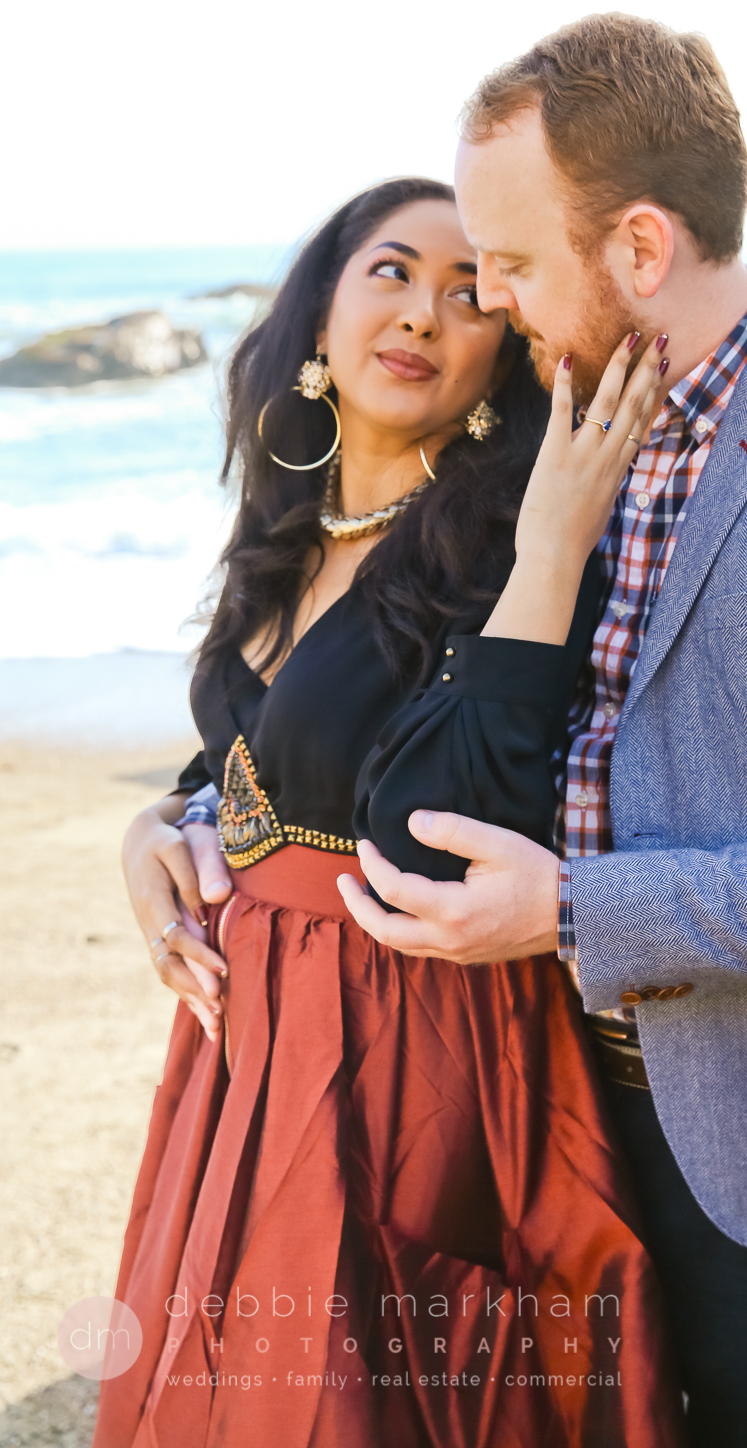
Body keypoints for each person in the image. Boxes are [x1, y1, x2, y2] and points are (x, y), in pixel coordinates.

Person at [336, 17, 747, 1447]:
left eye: (509, 265)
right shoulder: (538, 426)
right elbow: (361, 659)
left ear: (639, 248)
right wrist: (199, 812)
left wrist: (572, 907)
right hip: (533, 1109)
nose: (491, 301)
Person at [99, 176, 685, 1448]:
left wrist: (550, 555)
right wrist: (156, 822)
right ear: (320, 317)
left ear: (498, 360)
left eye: (471, 293)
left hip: (409, 1038)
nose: (425, 311)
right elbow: (249, 754)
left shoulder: (499, 548)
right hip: (249, 1034)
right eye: (392, 272)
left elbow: (443, 817)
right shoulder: (288, 532)